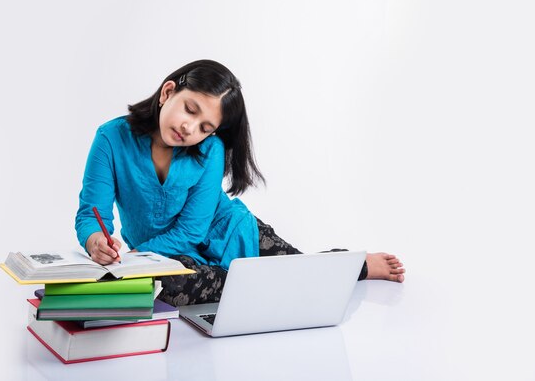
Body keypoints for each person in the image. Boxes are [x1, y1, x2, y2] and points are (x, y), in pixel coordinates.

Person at [75, 59, 405, 307]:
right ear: (168, 92)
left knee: (306, 274)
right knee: (168, 286)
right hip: (166, 257)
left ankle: (358, 264)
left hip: (229, 233)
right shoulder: (111, 138)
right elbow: (91, 214)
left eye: (205, 127)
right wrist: (95, 243)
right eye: (190, 110)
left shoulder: (210, 150)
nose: (191, 129)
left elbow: (193, 228)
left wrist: (137, 254)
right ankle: (256, 285)